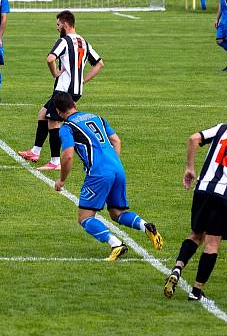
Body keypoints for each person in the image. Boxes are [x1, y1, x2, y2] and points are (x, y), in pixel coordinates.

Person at [163, 103, 227, 301]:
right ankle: (196, 291)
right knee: (211, 244)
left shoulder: (222, 129)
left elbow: (194, 138)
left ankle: (177, 268)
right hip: (225, 197)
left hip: (203, 189)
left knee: (195, 235)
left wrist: (190, 168)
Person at [52, 92, 163, 261]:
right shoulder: (97, 118)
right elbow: (116, 141)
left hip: (99, 173)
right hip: (118, 169)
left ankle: (116, 244)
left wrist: (62, 180)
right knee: (117, 213)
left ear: (59, 112)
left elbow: (67, 156)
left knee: (85, 217)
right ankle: (145, 226)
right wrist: (112, 165)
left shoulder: (67, 127)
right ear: (74, 104)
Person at [18, 10, 104, 171]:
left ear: (65, 25)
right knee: (43, 113)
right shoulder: (84, 42)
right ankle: (35, 151)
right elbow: (99, 63)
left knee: (53, 121)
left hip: (63, 90)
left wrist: (55, 73)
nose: (57, 28)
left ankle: (55, 161)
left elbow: (50, 58)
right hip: (75, 89)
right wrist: (83, 80)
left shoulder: (64, 41)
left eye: (58, 25)